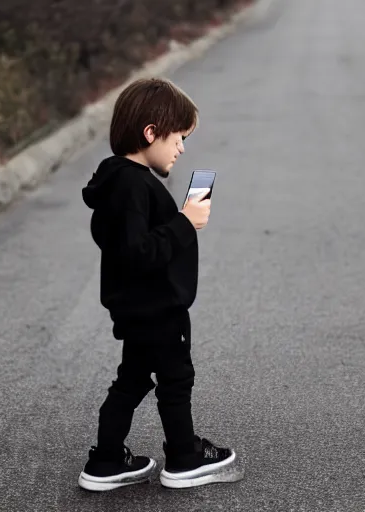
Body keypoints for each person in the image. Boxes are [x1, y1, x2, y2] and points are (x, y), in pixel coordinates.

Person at [78, 77, 243, 491]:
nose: (181, 148)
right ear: (150, 133)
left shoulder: (116, 181)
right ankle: (184, 458)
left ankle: (106, 460)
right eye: (177, 138)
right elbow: (138, 252)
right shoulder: (134, 185)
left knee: (132, 379)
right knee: (175, 378)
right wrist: (185, 222)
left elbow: (124, 245)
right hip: (156, 309)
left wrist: (178, 223)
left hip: (135, 309)